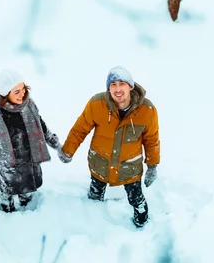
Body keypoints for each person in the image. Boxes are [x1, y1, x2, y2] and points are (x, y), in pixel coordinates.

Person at [57, 66, 160, 228]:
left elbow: (152, 139)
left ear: (130, 87)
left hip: (130, 167)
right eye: (113, 85)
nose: (118, 89)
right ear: (108, 88)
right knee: (95, 194)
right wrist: (68, 151)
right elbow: (80, 129)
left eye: (122, 84)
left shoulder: (147, 110)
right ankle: (93, 221)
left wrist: (152, 166)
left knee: (136, 198)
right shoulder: (97, 104)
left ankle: (142, 220)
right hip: (100, 163)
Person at [0, 68, 61, 212]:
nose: (23, 94)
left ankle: (27, 219)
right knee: (5, 205)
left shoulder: (28, 105)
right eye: (16, 92)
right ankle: (6, 220)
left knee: (28, 202)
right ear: (5, 94)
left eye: (23, 89)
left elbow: (41, 127)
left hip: (28, 167)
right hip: (6, 172)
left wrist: (56, 145)